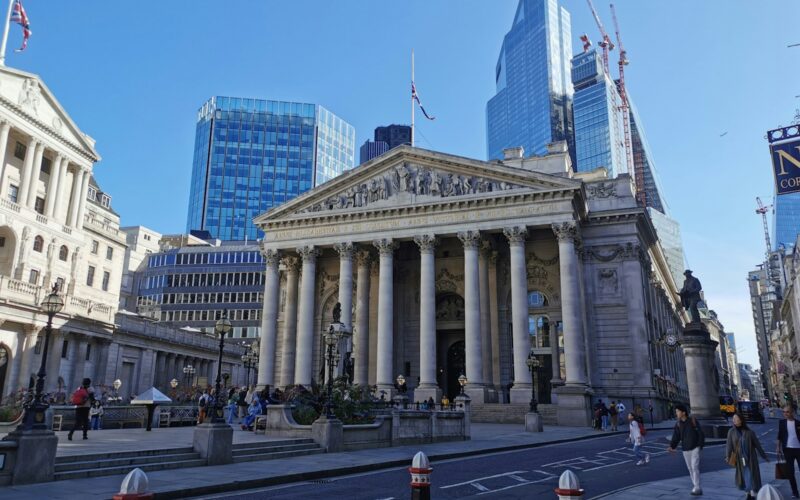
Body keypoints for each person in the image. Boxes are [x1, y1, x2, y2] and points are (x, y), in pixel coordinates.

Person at [726, 412, 769, 500]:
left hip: (750, 458)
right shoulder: (731, 432)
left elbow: (757, 445)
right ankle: (748, 493)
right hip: (739, 458)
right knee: (744, 475)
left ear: (741, 420)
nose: (734, 420)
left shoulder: (749, 432)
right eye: (733, 419)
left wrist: (764, 456)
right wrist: (727, 456)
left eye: (736, 418)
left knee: (751, 474)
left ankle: (752, 493)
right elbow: (729, 445)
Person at [668, 404, 705, 496]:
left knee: (694, 466)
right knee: (690, 468)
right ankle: (695, 486)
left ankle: (697, 487)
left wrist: (700, 445)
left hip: (695, 447)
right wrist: (672, 446)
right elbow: (676, 437)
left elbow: (700, 433)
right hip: (685, 449)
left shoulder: (692, 420)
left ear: (683, 412)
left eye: (677, 411)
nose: (676, 413)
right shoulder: (678, 424)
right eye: (676, 411)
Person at [777, 404, 800, 499]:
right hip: (787, 450)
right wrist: (778, 447)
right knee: (790, 473)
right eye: (784, 412)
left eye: (787, 412)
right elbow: (780, 435)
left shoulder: (798, 423)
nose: (785, 414)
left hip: (799, 450)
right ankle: (795, 492)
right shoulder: (782, 423)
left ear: (792, 413)